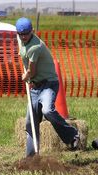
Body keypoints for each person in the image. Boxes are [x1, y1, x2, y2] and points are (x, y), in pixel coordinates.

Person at [15, 17, 80, 157]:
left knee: (47, 110)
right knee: (30, 121)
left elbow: (32, 72)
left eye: (26, 33)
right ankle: (31, 157)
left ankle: (72, 135)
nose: (24, 37)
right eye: (21, 34)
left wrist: (26, 76)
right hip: (35, 87)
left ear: (32, 31)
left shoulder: (35, 47)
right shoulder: (22, 41)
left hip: (48, 84)